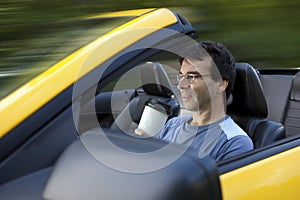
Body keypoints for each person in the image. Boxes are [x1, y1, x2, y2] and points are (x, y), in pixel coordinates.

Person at [157, 41, 253, 161]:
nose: (181, 86)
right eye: (181, 76)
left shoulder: (234, 142)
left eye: (191, 77)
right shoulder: (171, 125)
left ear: (221, 84)